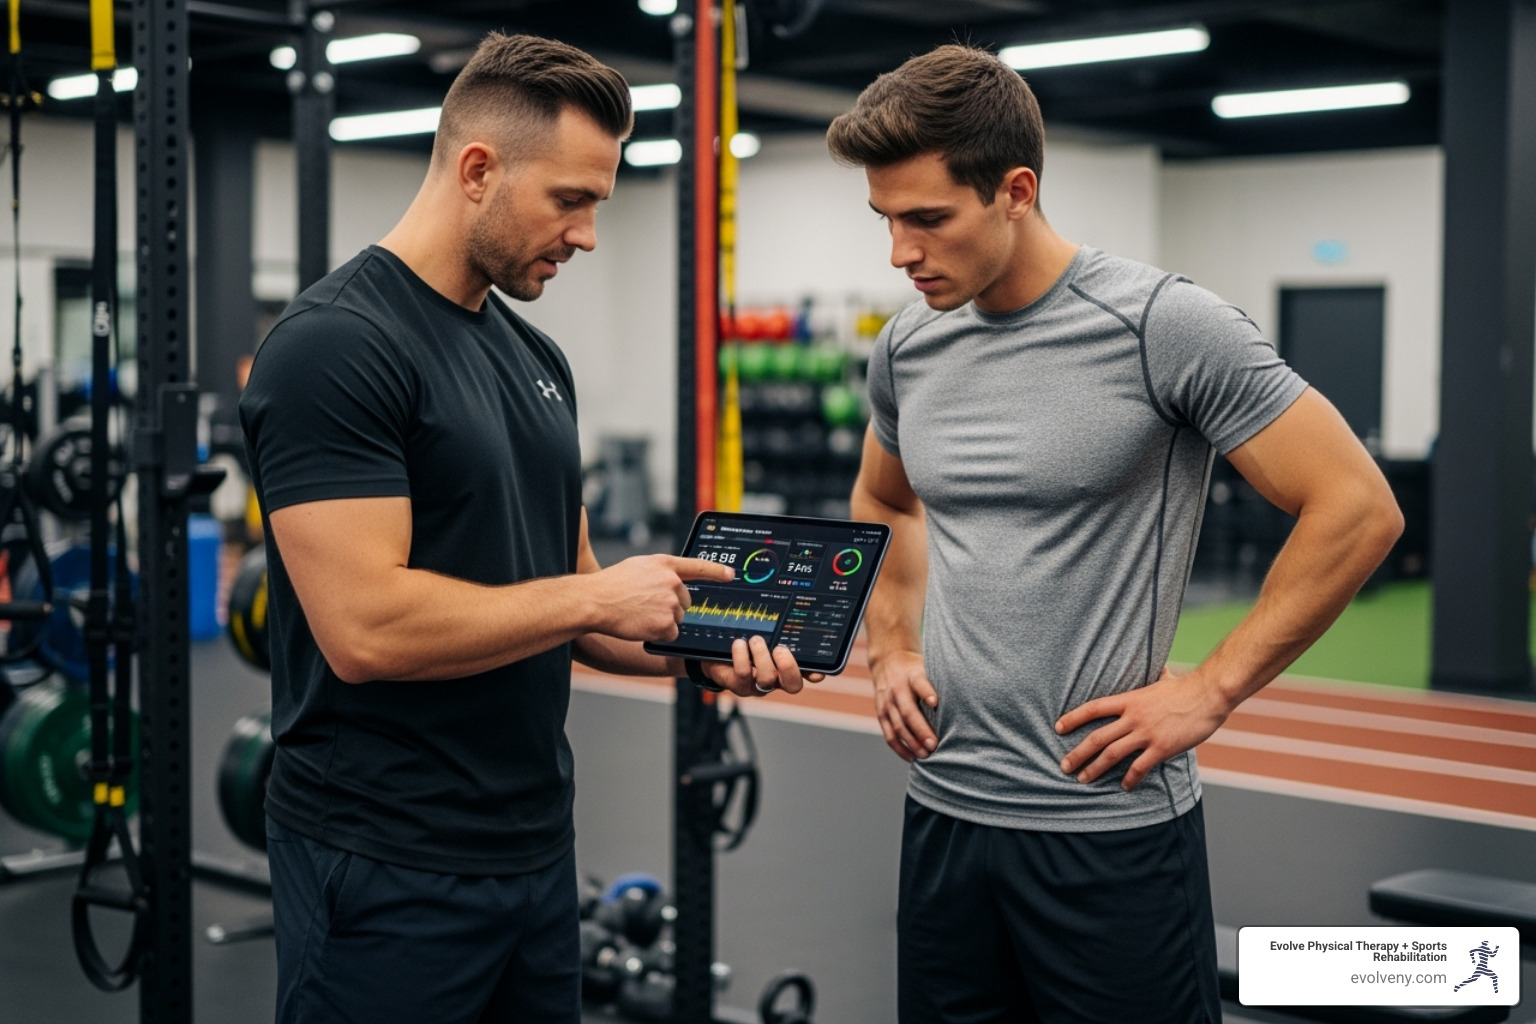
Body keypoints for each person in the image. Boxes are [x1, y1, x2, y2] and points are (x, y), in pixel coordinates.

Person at [240, 32, 810, 1024]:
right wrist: (598, 592)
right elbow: (365, 628)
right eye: (572, 199)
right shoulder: (335, 347)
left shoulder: (537, 357)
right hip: (383, 863)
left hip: (535, 853)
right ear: (477, 169)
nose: (588, 234)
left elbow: (573, 607)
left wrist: (699, 651)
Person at [828, 44, 1403, 1024]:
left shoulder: (1163, 325)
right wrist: (890, 646)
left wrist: (1211, 689)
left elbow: (1356, 506)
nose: (900, 252)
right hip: (945, 815)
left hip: (1108, 829)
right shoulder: (909, 345)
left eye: (927, 218)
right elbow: (886, 500)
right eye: (885, 219)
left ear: (1016, 190)